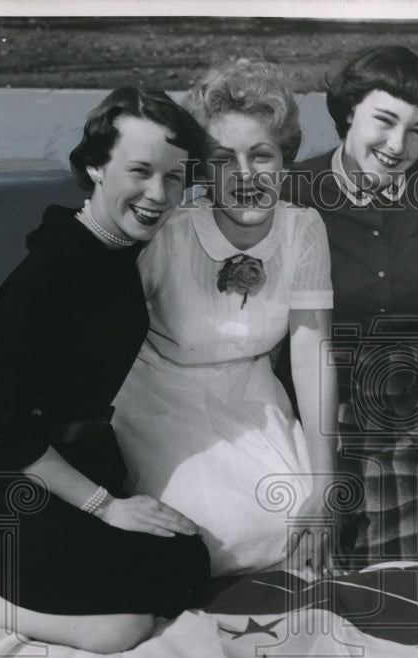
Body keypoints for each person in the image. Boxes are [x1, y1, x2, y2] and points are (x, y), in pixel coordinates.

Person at [0, 87, 212, 653]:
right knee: (125, 623)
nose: (159, 194)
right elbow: (8, 434)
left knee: (187, 559)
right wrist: (106, 508)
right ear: (94, 166)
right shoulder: (45, 276)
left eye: (175, 177)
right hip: (8, 492)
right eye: (140, 171)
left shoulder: (111, 251)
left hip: (80, 469)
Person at [111, 58, 337, 576]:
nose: (245, 177)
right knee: (212, 538)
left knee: (298, 522)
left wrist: (327, 487)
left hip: (251, 393)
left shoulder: (304, 229)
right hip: (159, 396)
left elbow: (312, 356)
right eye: (222, 159)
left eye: (261, 155)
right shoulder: (167, 230)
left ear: (286, 158)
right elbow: (98, 332)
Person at [283, 45, 418, 569]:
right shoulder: (298, 193)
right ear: (349, 110)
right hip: (330, 372)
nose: (398, 145)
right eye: (384, 120)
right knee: (354, 515)